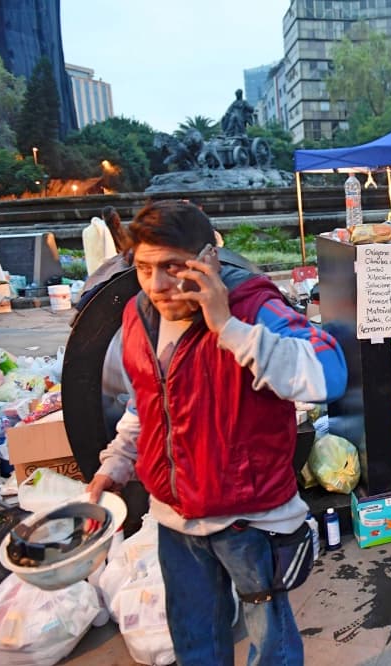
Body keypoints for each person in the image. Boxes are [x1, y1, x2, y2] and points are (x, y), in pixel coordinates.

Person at [87, 200, 347, 664]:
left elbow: (329, 375)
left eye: (173, 267)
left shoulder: (254, 308)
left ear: (207, 257)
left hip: (248, 519)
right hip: (174, 518)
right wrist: (116, 464)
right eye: (145, 269)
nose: (158, 286)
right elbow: (148, 403)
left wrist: (227, 326)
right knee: (194, 638)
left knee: (272, 644)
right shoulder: (138, 316)